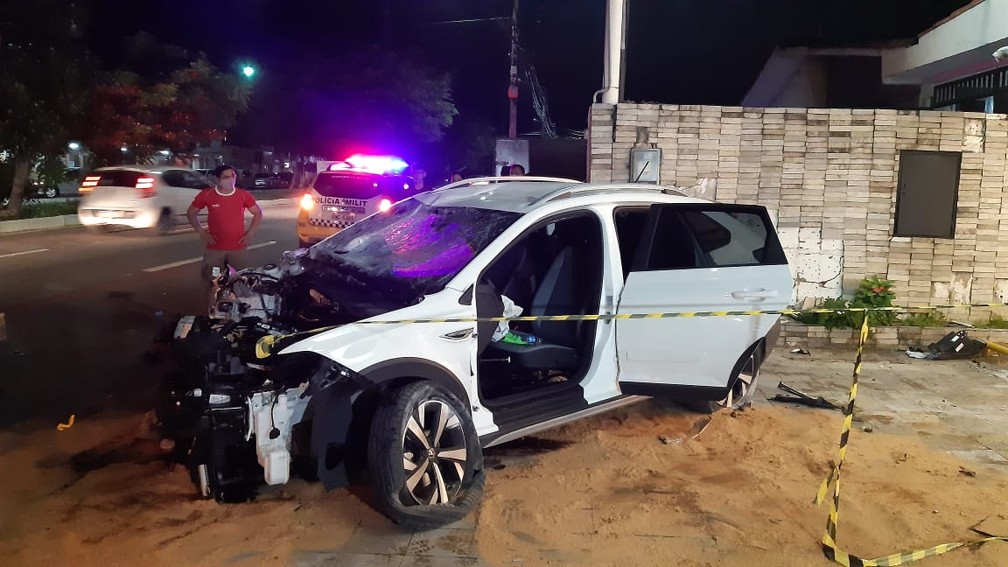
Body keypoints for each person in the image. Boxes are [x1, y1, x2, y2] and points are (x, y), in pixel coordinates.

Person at [187, 164, 263, 310]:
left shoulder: (243, 194)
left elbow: (257, 213)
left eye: (233, 176)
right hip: (215, 249)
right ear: (218, 179)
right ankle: (210, 312)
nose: (231, 180)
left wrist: (251, 232)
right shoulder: (207, 195)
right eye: (226, 177)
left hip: (238, 248)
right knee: (212, 282)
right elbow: (191, 213)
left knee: (243, 282)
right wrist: (202, 232)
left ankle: (243, 311)